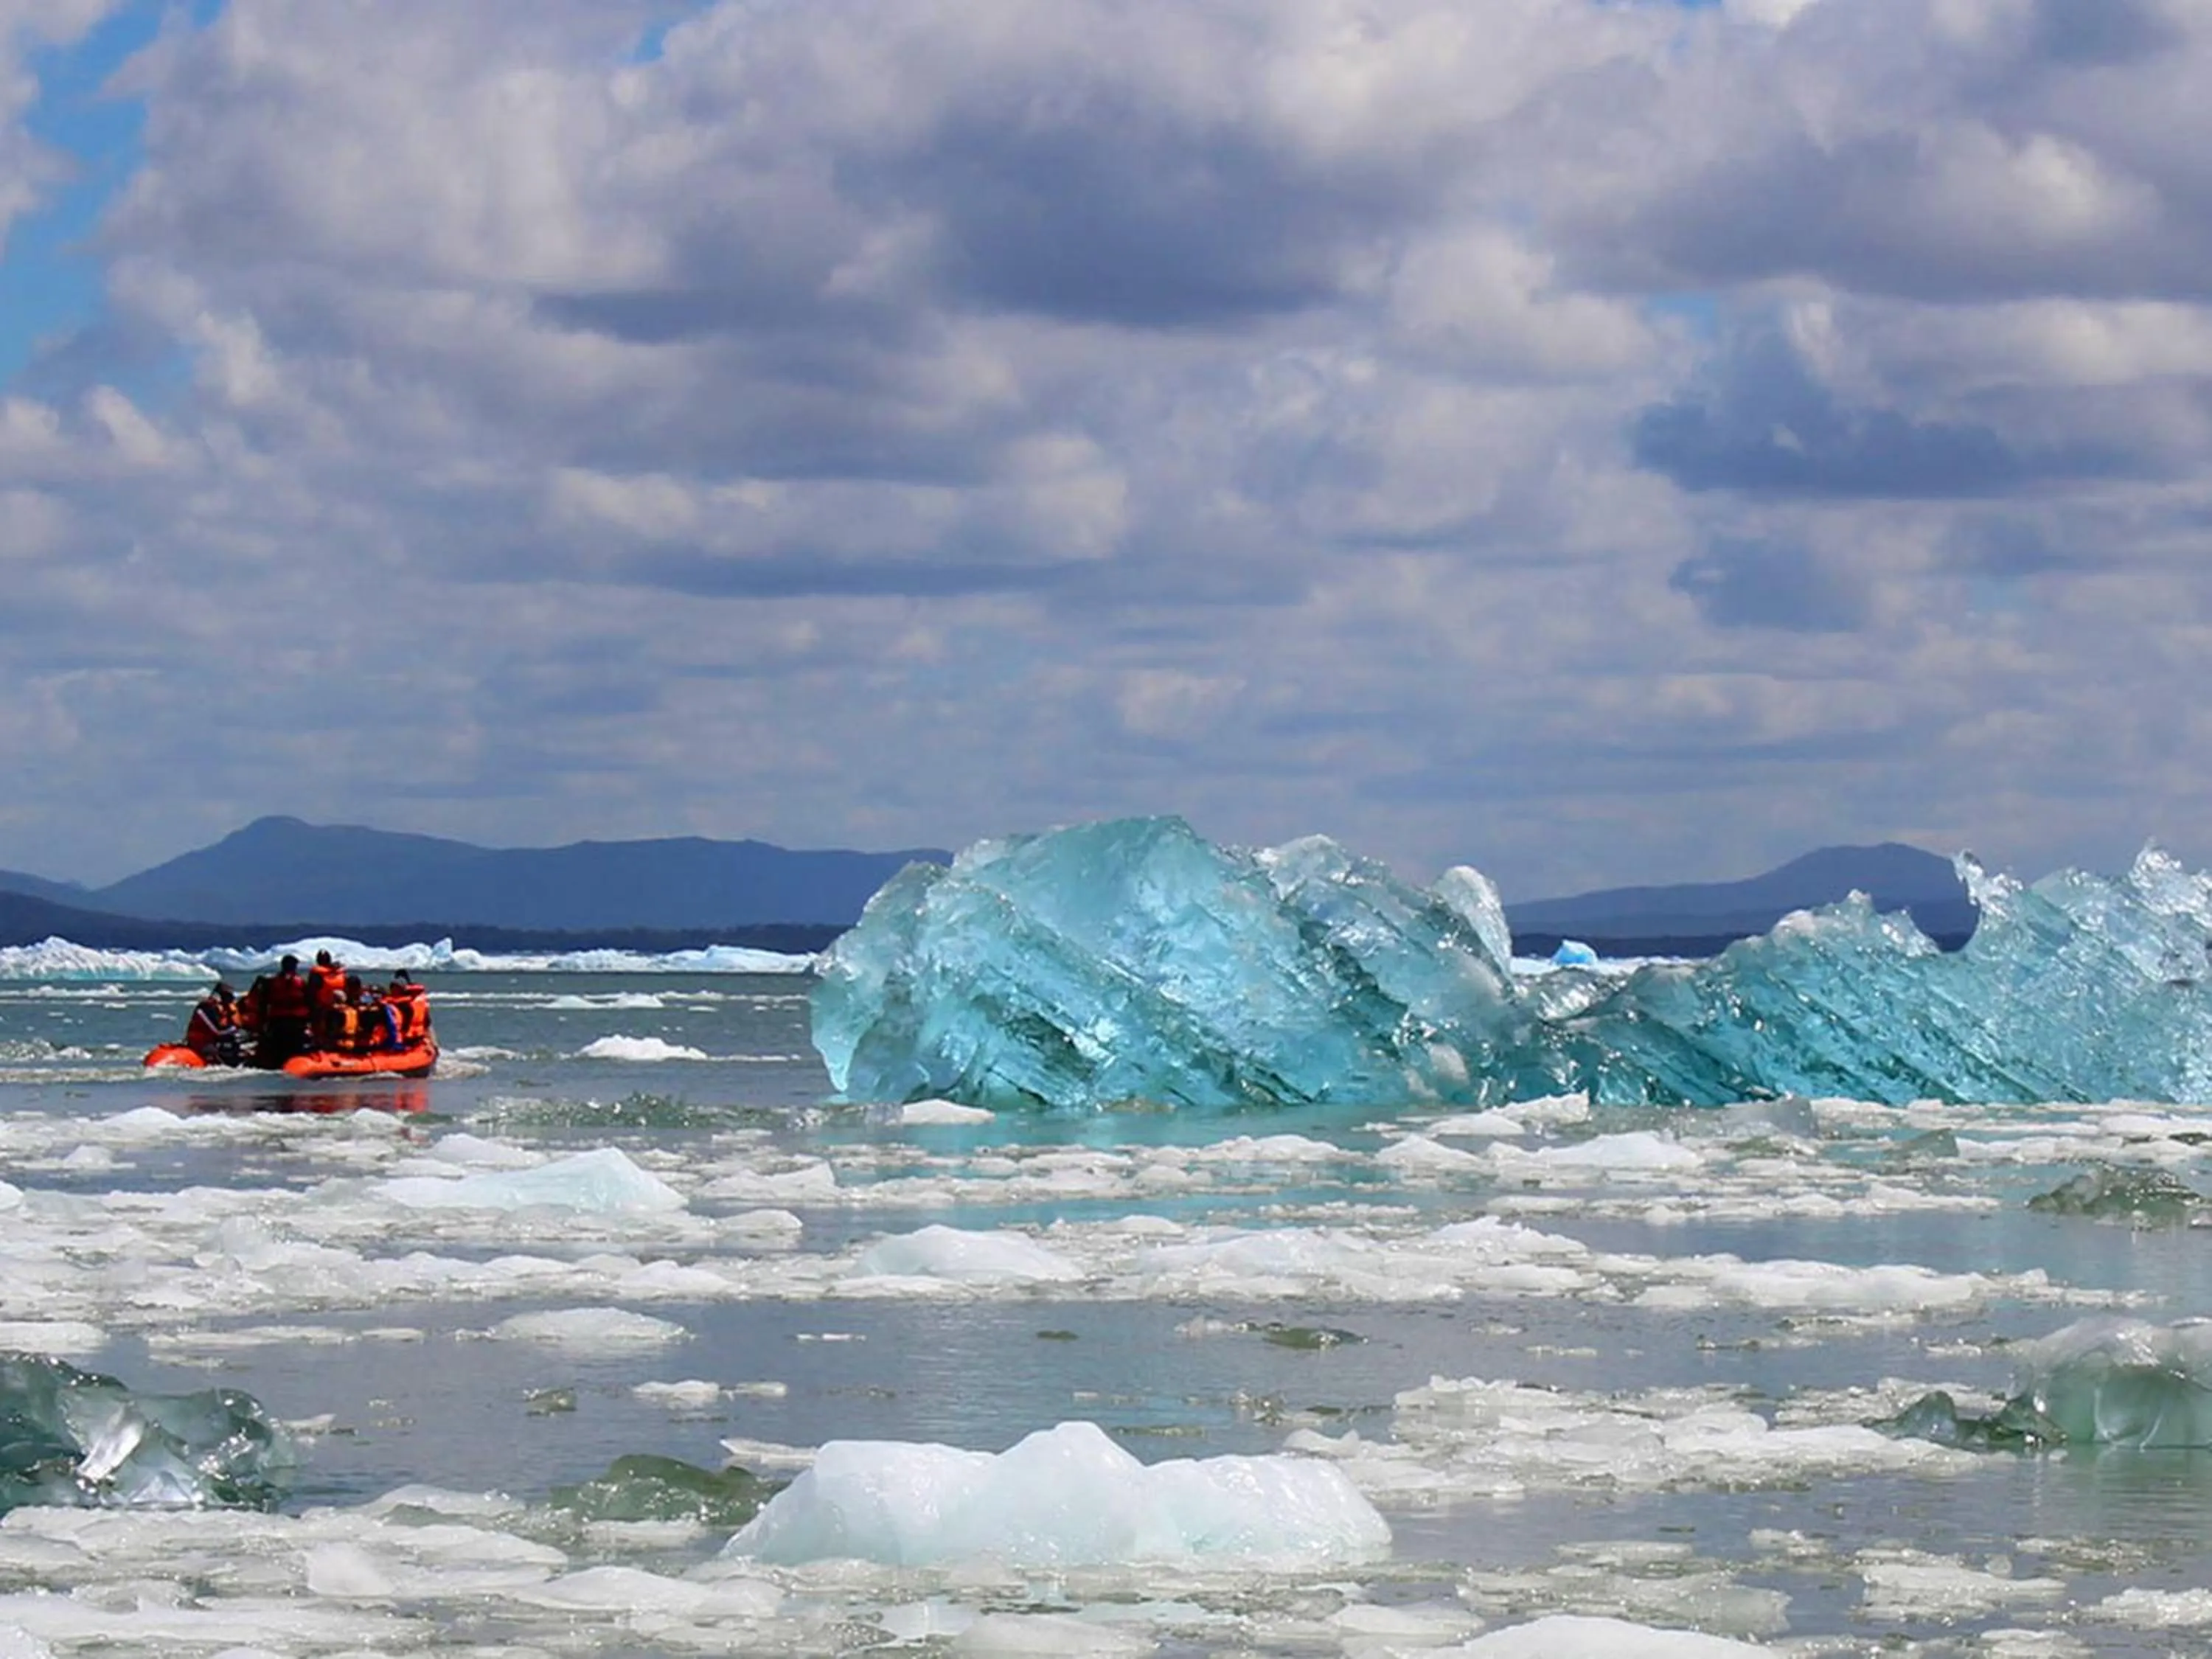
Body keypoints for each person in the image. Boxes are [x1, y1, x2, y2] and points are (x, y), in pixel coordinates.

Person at [254, 953, 313, 1068]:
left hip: (278, 1021)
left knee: (279, 1048)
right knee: (294, 1048)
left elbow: (263, 1003)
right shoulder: (301, 982)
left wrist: (263, 1022)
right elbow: (310, 1002)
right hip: (295, 1022)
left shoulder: (272, 982)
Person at [184, 982, 243, 1065]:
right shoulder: (206, 1008)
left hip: (215, 1040)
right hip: (201, 1042)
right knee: (227, 1053)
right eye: (228, 997)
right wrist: (235, 1029)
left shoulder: (224, 1008)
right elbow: (217, 1031)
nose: (231, 1000)